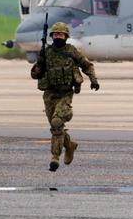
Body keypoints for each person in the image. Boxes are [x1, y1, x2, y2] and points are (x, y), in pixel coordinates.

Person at [30, 22, 99, 172]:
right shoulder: (47, 52)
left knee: (56, 122)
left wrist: (93, 80)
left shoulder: (72, 51)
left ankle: (55, 158)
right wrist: (39, 65)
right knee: (56, 128)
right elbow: (35, 75)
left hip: (65, 93)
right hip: (49, 94)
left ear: (66, 36)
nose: (58, 37)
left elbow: (87, 65)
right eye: (55, 34)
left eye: (60, 34)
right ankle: (69, 145)